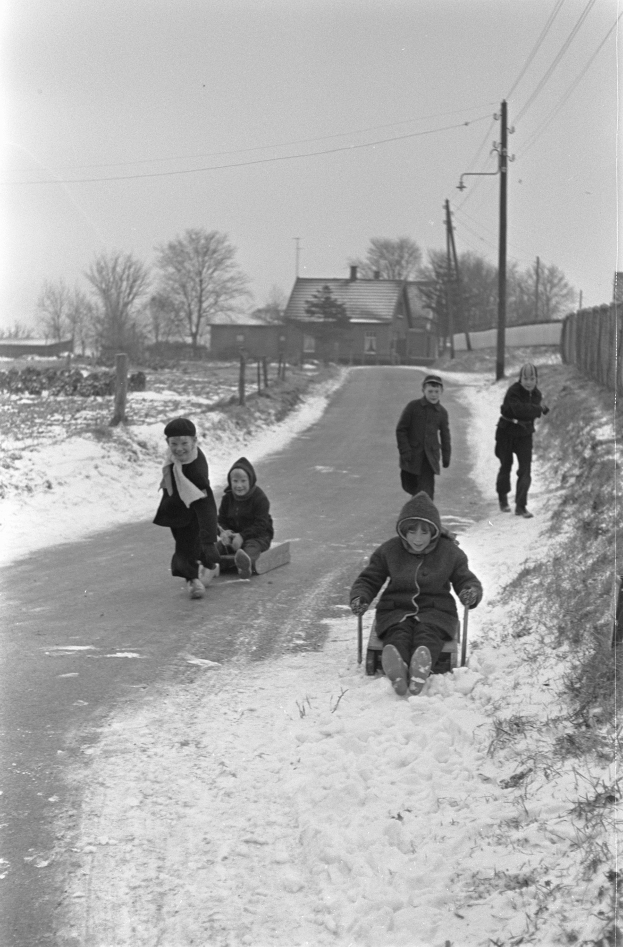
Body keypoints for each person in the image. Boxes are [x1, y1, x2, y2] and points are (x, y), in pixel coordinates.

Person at [349, 491, 482, 697]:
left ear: (434, 532)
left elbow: (465, 578)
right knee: (398, 632)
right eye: (412, 532)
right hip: (396, 609)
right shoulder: (390, 551)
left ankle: (421, 664)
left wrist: (469, 592)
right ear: (403, 531)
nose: (417, 539)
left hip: (436, 610)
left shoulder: (450, 553)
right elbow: (370, 578)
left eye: (424, 533)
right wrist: (361, 596)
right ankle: (398, 667)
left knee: (428, 633)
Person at [153, 417, 219, 600]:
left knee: (186, 547)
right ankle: (210, 566)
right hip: (177, 510)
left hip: (195, 510)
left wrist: (210, 539)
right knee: (190, 545)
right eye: (174, 443)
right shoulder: (173, 457)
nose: (179, 448)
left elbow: (206, 504)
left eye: (184, 443)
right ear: (167, 443)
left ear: (194, 441)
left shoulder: (196, 468)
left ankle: (192, 580)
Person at [495, 363, 549, 518]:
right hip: (506, 432)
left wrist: (534, 411)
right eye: (525, 378)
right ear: (520, 379)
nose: (528, 382)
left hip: (524, 435)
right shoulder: (513, 391)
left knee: (525, 470)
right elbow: (518, 410)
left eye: (532, 378)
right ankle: (503, 497)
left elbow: (528, 414)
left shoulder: (537, 394)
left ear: (536, 379)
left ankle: (521, 506)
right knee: (506, 465)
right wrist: (539, 409)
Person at [216, 456, 274, 579]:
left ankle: (245, 565)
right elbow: (221, 520)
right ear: (230, 481)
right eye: (235, 481)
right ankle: (209, 562)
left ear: (250, 480)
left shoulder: (259, 498)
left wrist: (242, 536)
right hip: (234, 536)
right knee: (218, 547)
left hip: (257, 536)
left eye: (243, 481)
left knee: (251, 548)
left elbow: (261, 525)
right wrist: (225, 532)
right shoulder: (227, 498)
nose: (239, 485)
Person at [395, 374, 451, 498]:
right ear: (423, 391)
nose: (433, 395)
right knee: (410, 486)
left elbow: (445, 435)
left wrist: (446, 456)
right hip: (411, 457)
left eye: (437, 391)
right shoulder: (413, 407)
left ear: (441, 392)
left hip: (429, 458)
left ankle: (423, 513)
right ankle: (417, 508)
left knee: (426, 492)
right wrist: (405, 450)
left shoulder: (442, 412)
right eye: (430, 391)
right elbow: (401, 430)